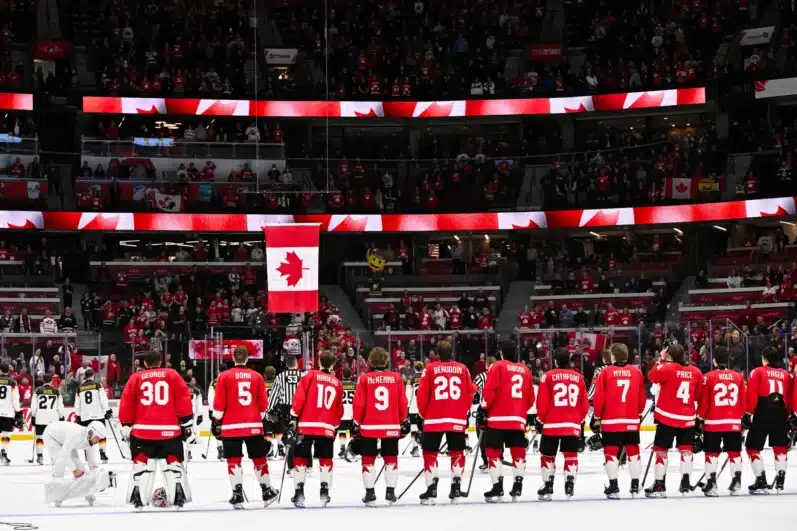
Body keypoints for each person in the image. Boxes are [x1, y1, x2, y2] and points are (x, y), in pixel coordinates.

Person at [118, 350, 195, 510]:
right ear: (160, 362)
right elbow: (183, 398)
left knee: (141, 465)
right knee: (173, 464)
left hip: (142, 431)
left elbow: (127, 402)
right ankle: (178, 497)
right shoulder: (172, 375)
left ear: (145, 364)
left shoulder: (136, 378)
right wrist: (187, 422)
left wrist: (126, 423)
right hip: (169, 430)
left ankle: (137, 498)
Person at [212, 346, 279, 508]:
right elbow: (263, 404)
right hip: (253, 424)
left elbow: (219, 404)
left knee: (233, 461)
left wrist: (216, 420)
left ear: (233, 358)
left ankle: (237, 494)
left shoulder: (224, 377)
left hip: (231, 426)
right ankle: (267, 491)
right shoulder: (256, 377)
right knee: (259, 459)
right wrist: (259, 418)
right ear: (247, 358)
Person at [416, 340, 474, 504]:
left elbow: (422, 394)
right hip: (456, 416)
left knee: (430, 452)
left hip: (434, 417)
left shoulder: (430, 368)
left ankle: (431, 487)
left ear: (437, 354)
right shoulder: (462, 369)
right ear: (452, 353)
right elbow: (469, 393)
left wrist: (424, 414)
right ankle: (456, 486)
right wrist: (464, 411)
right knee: (457, 452)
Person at [477, 343, 535, 502]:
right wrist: (520, 410)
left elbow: (489, 391)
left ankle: (497, 488)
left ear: (502, 354)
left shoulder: (497, 366)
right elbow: (531, 398)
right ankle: (518, 485)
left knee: (493, 453)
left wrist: (484, 408)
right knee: (518, 453)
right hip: (517, 420)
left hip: (497, 420)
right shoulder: (525, 370)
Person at [352, 347, 409, 507]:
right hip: (391, 424)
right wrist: (403, 420)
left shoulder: (364, 379)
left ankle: (370, 493)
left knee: (368, 459)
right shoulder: (396, 377)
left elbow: (359, 404)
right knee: (391, 458)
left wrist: (356, 421)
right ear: (386, 361)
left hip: (369, 425)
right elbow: (402, 402)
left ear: (371, 361)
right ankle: (390, 492)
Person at [286, 350, 344, 508]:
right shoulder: (337, 383)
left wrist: (293, 416)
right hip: (326, 426)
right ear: (332, 364)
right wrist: (335, 424)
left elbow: (300, 397)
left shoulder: (309, 376)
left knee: (300, 459)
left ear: (319, 362)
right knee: (326, 460)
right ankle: (324, 492)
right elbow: (339, 410)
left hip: (306, 425)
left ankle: (299, 492)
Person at [645, 341, 702, 497]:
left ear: (669, 355)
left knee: (661, 451)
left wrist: (661, 360)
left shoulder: (668, 368)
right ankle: (685, 483)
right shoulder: (696, 372)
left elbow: (652, 375)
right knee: (686, 451)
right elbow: (697, 395)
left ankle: (659, 485)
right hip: (687, 418)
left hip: (667, 417)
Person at [591, 343, 646, 498]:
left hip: (611, 421)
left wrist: (597, 417)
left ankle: (614, 486)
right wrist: (638, 413)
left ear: (613, 356)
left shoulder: (606, 372)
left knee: (611, 453)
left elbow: (599, 398)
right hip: (631, 420)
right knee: (633, 452)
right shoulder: (636, 372)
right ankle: (635, 485)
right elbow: (641, 399)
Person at [536, 347, 589, 500]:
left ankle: (548, 486)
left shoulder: (548, 376)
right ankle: (570, 484)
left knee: (547, 456)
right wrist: (577, 421)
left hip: (552, 424)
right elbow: (584, 406)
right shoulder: (578, 378)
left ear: (555, 361)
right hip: (572, 424)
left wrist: (541, 420)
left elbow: (542, 403)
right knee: (571, 455)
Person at [697, 346, 745, 496]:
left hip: (713, 423)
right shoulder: (738, 377)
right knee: (734, 453)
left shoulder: (708, 377)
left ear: (714, 360)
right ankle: (736, 484)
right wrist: (740, 418)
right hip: (733, 422)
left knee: (711, 453)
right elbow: (743, 402)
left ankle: (711, 485)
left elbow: (704, 402)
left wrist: (700, 417)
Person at [745, 346, 792, 493]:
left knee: (752, 447)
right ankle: (780, 479)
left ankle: (760, 480)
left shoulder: (758, 371)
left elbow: (751, 394)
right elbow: (790, 396)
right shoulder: (786, 375)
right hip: (780, 411)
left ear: (765, 358)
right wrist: (789, 415)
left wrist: (747, 413)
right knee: (780, 447)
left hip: (762, 410)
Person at [43, 420, 114, 507]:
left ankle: (87, 493)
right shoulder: (75, 435)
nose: (98, 441)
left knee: (80, 467)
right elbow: (64, 454)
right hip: (51, 436)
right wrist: (74, 470)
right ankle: (57, 495)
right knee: (60, 462)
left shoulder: (90, 439)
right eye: (97, 438)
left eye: (100, 438)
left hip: (65, 439)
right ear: (90, 433)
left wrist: (98, 478)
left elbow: (91, 462)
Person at [268, 354, 301, 466]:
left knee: (289, 437)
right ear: (297, 364)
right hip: (300, 409)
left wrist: (269, 409)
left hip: (286, 409)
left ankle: (291, 465)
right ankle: (305, 464)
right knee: (301, 437)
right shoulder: (303, 376)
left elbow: (274, 395)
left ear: (286, 365)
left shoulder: (280, 376)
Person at [75, 369, 112, 463]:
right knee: (101, 434)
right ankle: (102, 453)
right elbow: (103, 399)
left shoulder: (80, 387)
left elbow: (77, 404)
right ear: (93, 375)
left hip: (85, 415)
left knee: (87, 436)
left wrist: (78, 416)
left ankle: (88, 455)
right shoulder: (98, 385)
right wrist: (107, 411)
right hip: (98, 414)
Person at [31, 374, 65, 466]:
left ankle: (40, 456)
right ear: (51, 380)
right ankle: (54, 458)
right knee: (53, 438)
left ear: (43, 380)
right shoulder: (56, 390)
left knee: (39, 437)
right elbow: (60, 406)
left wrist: (33, 416)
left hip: (41, 417)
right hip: (53, 418)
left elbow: (33, 405)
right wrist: (61, 416)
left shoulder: (38, 390)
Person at [473, 356, 494, 472]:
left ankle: (486, 461)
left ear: (486, 364)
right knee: (496, 436)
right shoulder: (501, 375)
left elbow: (473, 388)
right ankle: (496, 459)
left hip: (484, 411)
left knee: (482, 437)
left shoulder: (482, 376)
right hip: (498, 411)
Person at [0, 362, 22, 465]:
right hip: (8, 413)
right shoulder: (12, 382)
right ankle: (4, 454)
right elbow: (15, 399)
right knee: (6, 435)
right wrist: (18, 412)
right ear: (8, 371)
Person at [337, 366, 357, 459]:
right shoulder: (355, 385)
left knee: (342, 431)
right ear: (351, 375)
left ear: (342, 374)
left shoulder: (338, 384)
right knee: (352, 432)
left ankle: (342, 448)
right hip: (352, 413)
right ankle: (351, 448)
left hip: (342, 412)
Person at [405, 361, 423, 457]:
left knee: (413, 428)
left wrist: (407, 407)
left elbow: (408, 396)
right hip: (424, 408)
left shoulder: (411, 379)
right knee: (424, 428)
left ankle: (415, 448)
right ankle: (426, 447)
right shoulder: (426, 378)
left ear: (414, 368)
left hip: (413, 408)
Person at [185, 375, 203, 462]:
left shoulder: (179, 388)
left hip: (180, 414)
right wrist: (199, 414)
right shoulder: (196, 390)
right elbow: (199, 405)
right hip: (192, 414)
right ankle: (188, 452)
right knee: (191, 434)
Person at [207, 373, 224, 460]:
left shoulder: (213, 382)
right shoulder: (229, 379)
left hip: (216, 410)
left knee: (217, 430)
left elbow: (210, 397)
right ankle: (226, 449)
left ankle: (220, 449)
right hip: (228, 411)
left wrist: (211, 410)